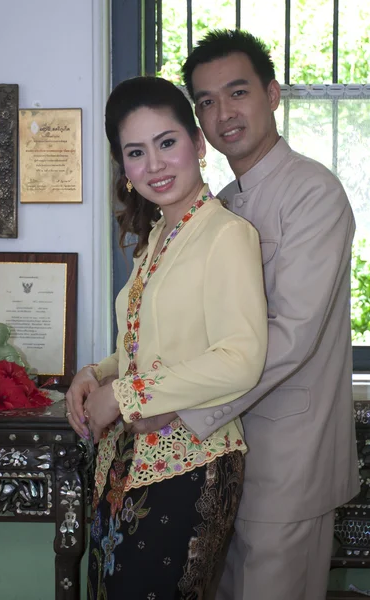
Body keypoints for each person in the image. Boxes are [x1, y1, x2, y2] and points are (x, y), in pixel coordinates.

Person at [128, 29, 359, 600]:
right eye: (205, 102)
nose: (222, 113)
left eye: (237, 92)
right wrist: (117, 375)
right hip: (216, 461)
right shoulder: (223, 205)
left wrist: (175, 407)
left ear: (273, 94)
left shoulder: (314, 194)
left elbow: (291, 335)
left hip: (287, 464)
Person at [66, 75, 268, 599]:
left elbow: (239, 358)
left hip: (190, 465)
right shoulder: (158, 236)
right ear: (125, 169)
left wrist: (126, 396)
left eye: (167, 142)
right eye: (136, 152)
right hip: (128, 464)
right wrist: (97, 375)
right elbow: (148, 343)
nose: (154, 164)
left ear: (198, 145)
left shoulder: (226, 234)